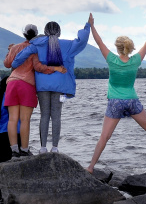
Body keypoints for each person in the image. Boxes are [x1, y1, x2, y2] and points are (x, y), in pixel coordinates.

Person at [86, 14, 146, 173]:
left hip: (115, 102)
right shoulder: (135, 60)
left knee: (104, 137)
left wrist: (92, 26)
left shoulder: (112, 60)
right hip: (132, 101)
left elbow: (99, 41)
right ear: (129, 48)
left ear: (117, 48)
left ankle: (90, 167)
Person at [11, 20, 90, 153]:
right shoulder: (68, 45)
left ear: (45, 31)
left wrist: (14, 64)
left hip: (42, 86)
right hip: (60, 86)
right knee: (56, 116)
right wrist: (87, 27)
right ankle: (55, 147)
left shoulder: (37, 44)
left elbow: (20, 57)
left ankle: (42, 148)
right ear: (59, 32)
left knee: (44, 115)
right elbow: (81, 41)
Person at [3, 24, 66, 156]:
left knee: (12, 119)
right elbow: (38, 67)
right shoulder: (35, 48)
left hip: (12, 83)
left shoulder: (15, 47)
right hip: (27, 85)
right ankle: (25, 150)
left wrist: (10, 51)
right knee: (25, 119)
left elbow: (7, 64)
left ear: (24, 34)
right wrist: (55, 68)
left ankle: (14, 149)